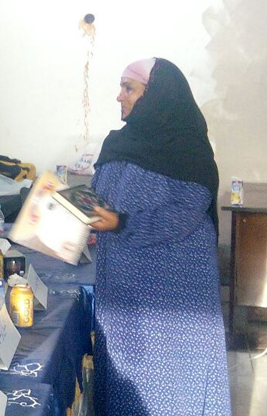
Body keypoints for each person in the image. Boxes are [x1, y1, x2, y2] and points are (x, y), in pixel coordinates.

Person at [90, 58, 230, 415]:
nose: (119, 96)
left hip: (171, 298)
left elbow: (183, 215)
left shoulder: (188, 152)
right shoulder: (118, 142)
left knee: (168, 386)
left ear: (156, 97)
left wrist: (120, 223)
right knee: (126, 380)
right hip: (123, 291)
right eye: (121, 87)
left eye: (129, 88)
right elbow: (100, 195)